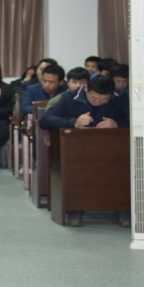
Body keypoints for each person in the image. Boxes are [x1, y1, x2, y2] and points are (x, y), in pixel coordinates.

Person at [40, 75, 129, 227]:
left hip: (112, 151)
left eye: (103, 100)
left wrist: (117, 124)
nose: (98, 103)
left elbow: (137, 121)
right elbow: (45, 120)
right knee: (75, 169)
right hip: (78, 152)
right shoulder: (69, 98)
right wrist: (73, 122)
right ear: (86, 88)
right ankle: (75, 208)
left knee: (121, 170)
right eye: (94, 99)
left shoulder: (120, 97)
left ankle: (123, 209)